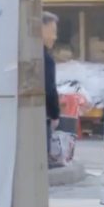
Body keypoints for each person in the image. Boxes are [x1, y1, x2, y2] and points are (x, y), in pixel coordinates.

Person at [42, 11, 61, 164]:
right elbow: (49, 88)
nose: (54, 37)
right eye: (52, 31)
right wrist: (55, 114)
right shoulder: (45, 58)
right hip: (43, 114)